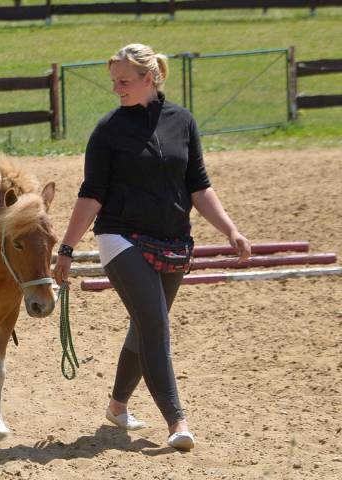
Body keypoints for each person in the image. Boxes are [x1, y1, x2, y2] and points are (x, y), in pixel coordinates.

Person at [53, 43, 251, 451]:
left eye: (123, 81)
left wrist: (230, 230)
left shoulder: (183, 121)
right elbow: (91, 195)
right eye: (114, 82)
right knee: (156, 325)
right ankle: (176, 420)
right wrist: (67, 248)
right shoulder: (108, 131)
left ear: (150, 78)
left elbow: (199, 186)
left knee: (144, 326)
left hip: (174, 240)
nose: (116, 89)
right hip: (119, 237)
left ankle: (117, 405)